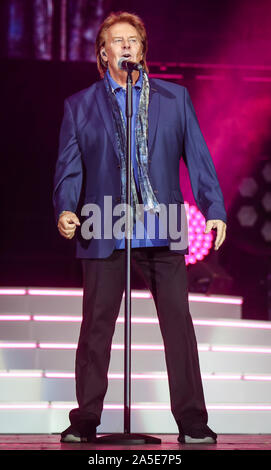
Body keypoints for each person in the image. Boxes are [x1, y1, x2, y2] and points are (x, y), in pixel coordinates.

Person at [53, 11, 227, 444]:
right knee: (96, 326)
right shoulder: (80, 105)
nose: (126, 45)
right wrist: (65, 208)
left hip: (160, 226)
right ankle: (86, 420)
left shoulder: (174, 99)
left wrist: (214, 208)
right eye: (117, 40)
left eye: (133, 39)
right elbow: (69, 168)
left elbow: (199, 159)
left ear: (143, 50)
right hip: (104, 223)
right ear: (103, 52)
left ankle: (192, 421)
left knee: (177, 325)